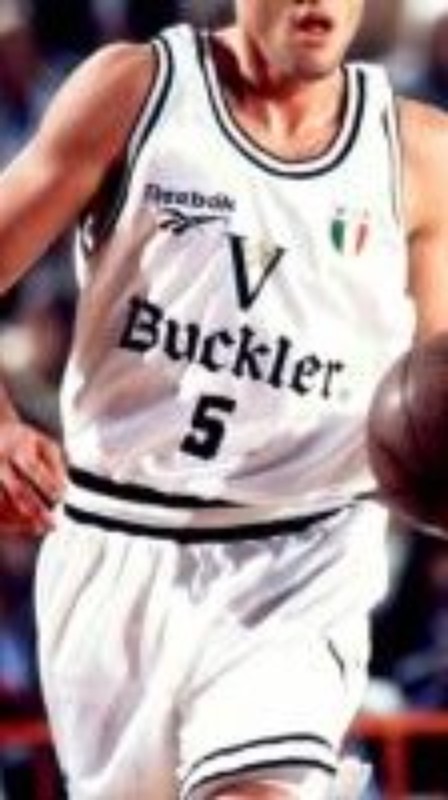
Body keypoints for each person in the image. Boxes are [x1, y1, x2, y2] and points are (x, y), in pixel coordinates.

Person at [1, 1, 448, 798]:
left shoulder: (419, 153)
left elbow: (437, 387)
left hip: (301, 561)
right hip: (115, 547)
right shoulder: (138, 93)